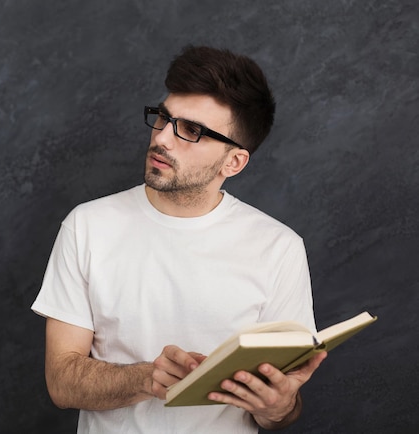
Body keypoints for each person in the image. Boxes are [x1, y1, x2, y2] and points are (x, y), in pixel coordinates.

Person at [31, 45, 327, 433]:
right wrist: (146, 378)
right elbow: (62, 381)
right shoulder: (87, 226)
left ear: (233, 162)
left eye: (192, 131)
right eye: (164, 118)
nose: (163, 139)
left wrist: (277, 407)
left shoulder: (278, 248)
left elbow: (281, 409)